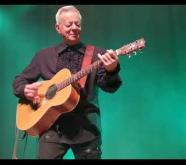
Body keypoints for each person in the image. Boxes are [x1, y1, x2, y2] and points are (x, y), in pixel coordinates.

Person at [12, 5, 122, 159]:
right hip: (52, 128)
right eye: (69, 24)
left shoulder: (97, 54)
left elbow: (110, 87)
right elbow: (20, 80)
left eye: (77, 24)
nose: (74, 28)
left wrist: (112, 69)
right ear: (58, 28)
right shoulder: (44, 56)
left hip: (86, 129)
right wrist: (24, 89)